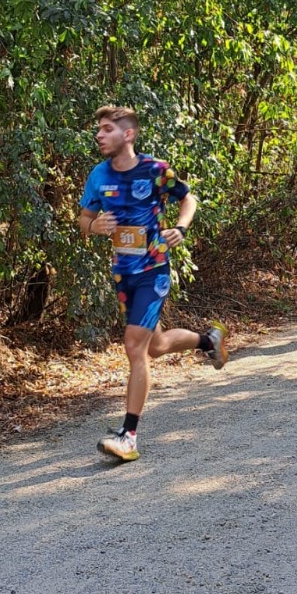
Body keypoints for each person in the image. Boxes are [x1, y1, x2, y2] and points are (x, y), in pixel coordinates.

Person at [79, 105, 228, 462]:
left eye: (106, 129)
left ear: (127, 135)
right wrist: (93, 227)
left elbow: (187, 198)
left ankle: (128, 435)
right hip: (122, 273)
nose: (99, 135)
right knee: (156, 346)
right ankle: (209, 339)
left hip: (154, 269)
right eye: (98, 129)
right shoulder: (98, 175)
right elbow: (84, 219)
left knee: (134, 347)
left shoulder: (156, 170)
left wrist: (181, 227)